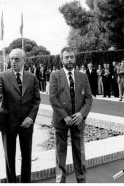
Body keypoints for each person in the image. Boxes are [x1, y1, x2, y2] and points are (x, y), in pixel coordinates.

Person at [0, 48, 41, 183]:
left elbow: (36, 100)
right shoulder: (2, 75)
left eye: (17, 59)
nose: (13, 61)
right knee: (9, 157)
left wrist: (31, 118)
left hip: (26, 123)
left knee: (26, 156)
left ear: (24, 60)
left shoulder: (32, 78)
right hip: (8, 122)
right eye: (11, 59)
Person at [49, 47, 93, 183]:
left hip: (78, 121)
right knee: (60, 154)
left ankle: (81, 180)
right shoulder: (55, 75)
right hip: (62, 121)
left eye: (71, 57)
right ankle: (60, 182)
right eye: (66, 57)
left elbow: (88, 98)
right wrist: (65, 116)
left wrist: (82, 114)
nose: (69, 60)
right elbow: (53, 98)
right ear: (61, 59)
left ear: (75, 59)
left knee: (79, 153)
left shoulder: (83, 76)